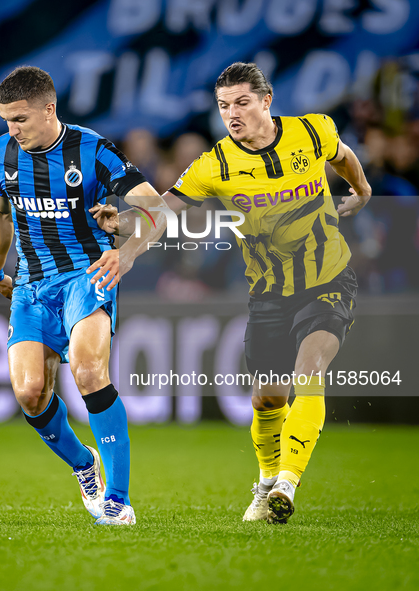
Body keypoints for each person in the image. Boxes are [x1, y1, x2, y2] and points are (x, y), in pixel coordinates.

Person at [101, 62, 372, 524]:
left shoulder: (313, 131)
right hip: (268, 293)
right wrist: (127, 241)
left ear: (266, 101)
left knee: (310, 367)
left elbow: (342, 154)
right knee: (268, 397)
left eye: (242, 103)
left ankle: (287, 482)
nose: (233, 114)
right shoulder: (215, 165)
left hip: (329, 279)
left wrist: (361, 188)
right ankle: (266, 482)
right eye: (224, 106)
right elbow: (163, 212)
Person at [0, 66, 166, 525]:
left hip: (87, 276)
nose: (13, 129)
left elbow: (158, 214)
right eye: (7, 119)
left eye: (21, 118)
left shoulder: (94, 151)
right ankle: (85, 466)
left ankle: (118, 499)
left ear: (50, 108)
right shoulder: (1, 154)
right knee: (29, 393)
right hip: (31, 283)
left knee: (88, 372)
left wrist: (125, 248)